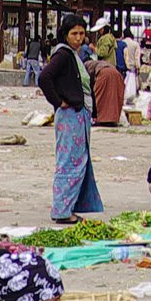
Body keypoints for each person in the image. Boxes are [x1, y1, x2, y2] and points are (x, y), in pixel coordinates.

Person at [41, 12, 102, 225]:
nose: (78, 37)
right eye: (74, 33)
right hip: (70, 116)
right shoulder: (63, 55)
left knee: (79, 162)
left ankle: (69, 206)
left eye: (81, 33)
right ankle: (62, 210)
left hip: (79, 116)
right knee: (70, 163)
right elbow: (44, 78)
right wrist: (59, 101)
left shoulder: (74, 55)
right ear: (65, 35)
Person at [89, 39, 125, 127]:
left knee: (100, 97)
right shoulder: (95, 63)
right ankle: (113, 119)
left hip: (103, 73)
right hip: (116, 73)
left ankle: (102, 119)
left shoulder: (86, 65)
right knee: (115, 96)